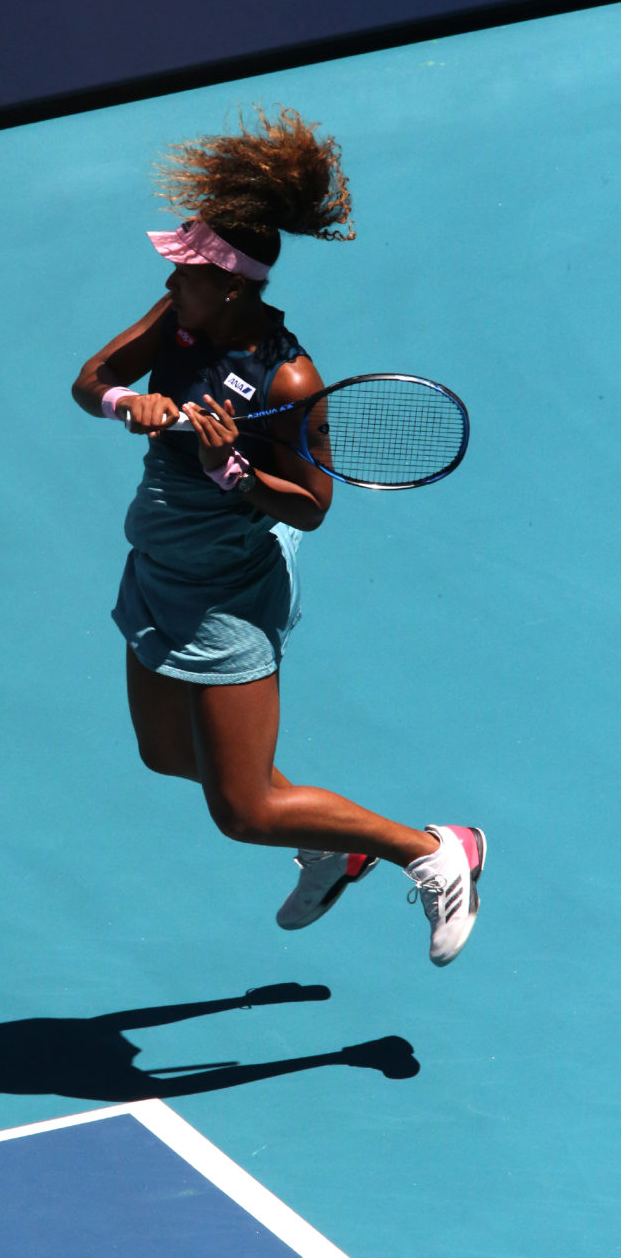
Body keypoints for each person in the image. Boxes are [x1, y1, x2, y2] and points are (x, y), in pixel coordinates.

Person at [71, 108, 485, 967]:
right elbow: (91, 380)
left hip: (227, 591)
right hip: (157, 569)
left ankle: (434, 848)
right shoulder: (178, 322)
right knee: (162, 754)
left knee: (243, 811)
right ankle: (338, 848)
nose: (170, 279)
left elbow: (310, 505)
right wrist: (128, 403)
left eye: (185, 270)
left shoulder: (288, 378)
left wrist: (235, 472)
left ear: (229, 284)